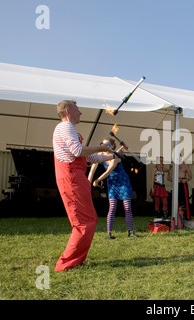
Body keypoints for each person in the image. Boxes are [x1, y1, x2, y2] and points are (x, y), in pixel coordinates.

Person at [52, 100, 117, 272]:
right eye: (78, 109)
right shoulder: (66, 128)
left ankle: (75, 261)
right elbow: (78, 151)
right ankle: (66, 264)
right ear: (68, 111)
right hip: (72, 178)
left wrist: (112, 156)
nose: (80, 113)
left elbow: (89, 158)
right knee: (84, 222)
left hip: (75, 177)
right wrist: (102, 147)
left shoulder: (69, 130)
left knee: (87, 220)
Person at [88, 138, 138, 239]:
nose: (103, 145)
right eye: (102, 143)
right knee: (112, 208)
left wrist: (97, 180)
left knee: (127, 207)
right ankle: (109, 233)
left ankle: (131, 232)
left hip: (123, 182)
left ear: (112, 146)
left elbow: (109, 171)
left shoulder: (116, 156)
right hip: (112, 183)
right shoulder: (100, 155)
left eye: (106, 144)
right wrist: (87, 184)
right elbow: (92, 171)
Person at [168, 155, 192, 220]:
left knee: (185, 200)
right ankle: (176, 216)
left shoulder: (185, 165)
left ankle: (187, 216)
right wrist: (175, 180)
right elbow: (169, 178)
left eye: (180, 158)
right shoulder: (173, 166)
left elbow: (190, 176)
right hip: (176, 183)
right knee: (176, 200)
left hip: (183, 183)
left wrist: (186, 179)